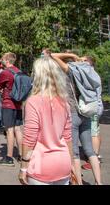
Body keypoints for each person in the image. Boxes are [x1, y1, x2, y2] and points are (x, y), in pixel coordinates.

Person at [19, 57, 74, 185]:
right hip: (63, 163)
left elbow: (30, 137)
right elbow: (68, 137)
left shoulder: (33, 101)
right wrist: (71, 163)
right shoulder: (64, 102)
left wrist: (23, 167)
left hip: (41, 165)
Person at [51, 52, 103, 184]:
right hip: (86, 112)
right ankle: (99, 181)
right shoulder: (92, 74)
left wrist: (72, 55)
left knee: (74, 152)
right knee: (90, 150)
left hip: (73, 112)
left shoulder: (73, 71)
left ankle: (78, 182)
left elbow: (52, 55)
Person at [0, 53, 23, 166]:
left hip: (8, 103)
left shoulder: (5, 72)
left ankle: (9, 157)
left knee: (9, 130)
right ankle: (21, 155)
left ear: (7, 60)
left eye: (2, 59)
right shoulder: (19, 71)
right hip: (18, 104)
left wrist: (1, 89)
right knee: (18, 129)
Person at [82, 56, 104, 171]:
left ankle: (94, 158)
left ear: (90, 63)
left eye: (84, 61)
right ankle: (96, 155)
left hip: (93, 106)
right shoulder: (94, 74)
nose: (82, 62)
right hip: (97, 106)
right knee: (96, 129)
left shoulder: (91, 75)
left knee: (93, 133)